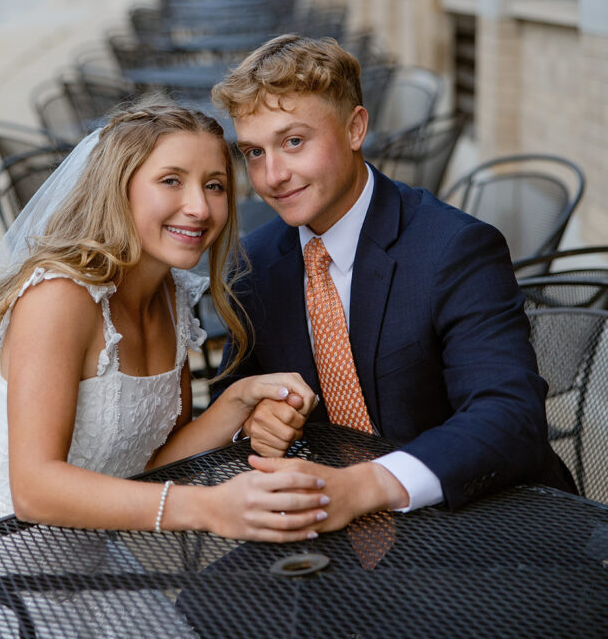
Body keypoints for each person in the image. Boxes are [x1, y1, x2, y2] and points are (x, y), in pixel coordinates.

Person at [0, 98, 329, 548]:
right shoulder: (60, 300)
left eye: (215, 186)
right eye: (171, 181)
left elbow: (152, 465)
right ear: (119, 187)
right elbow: (33, 490)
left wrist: (239, 400)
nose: (199, 208)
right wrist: (209, 507)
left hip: (87, 559)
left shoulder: (172, 296)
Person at [211, 34, 574, 530]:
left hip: (481, 520)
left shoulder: (454, 248)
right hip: (331, 532)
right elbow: (233, 399)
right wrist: (255, 423)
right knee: (205, 607)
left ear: (355, 127)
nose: (272, 175)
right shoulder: (252, 265)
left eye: (294, 141)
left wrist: (364, 485)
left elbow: (510, 415)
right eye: (254, 152)